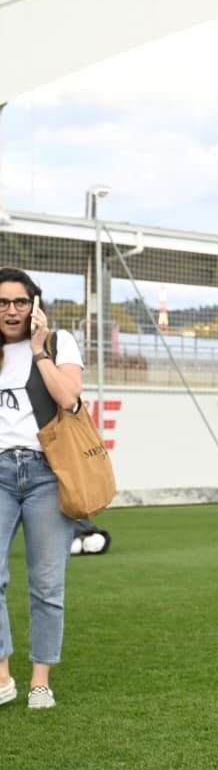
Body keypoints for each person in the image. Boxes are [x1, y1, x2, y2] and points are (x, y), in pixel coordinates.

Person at [0, 267, 85, 710]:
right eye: (2, 303)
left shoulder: (58, 342)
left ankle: (39, 680)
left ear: (35, 304)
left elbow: (68, 398)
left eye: (20, 301)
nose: (11, 310)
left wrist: (38, 351)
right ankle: (2, 676)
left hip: (46, 473)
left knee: (47, 584)